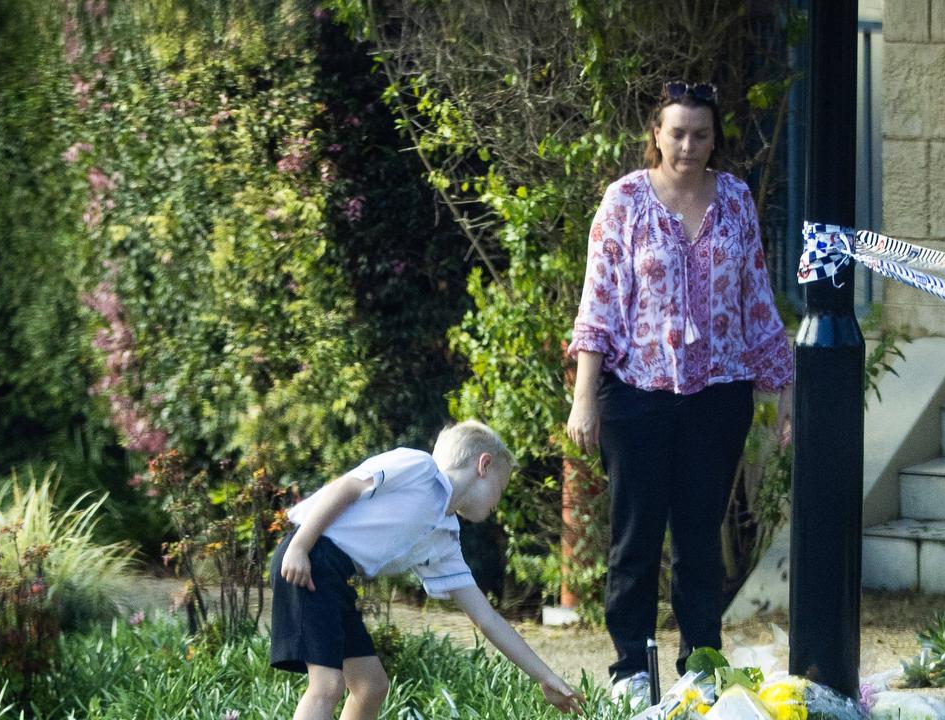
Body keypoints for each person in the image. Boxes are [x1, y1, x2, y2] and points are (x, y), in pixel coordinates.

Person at [565, 80, 794, 705]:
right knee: (635, 537)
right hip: (636, 394)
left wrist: (783, 400)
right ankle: (631, 671)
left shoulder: (738, 200)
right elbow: (599, 304)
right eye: (677, 133)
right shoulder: (625, 202)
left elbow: (756, 301)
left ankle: (700, 665)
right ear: (656, 135)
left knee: (699, 540)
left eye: (700, 133)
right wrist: (584, 397)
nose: (688, 145)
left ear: (714, 137)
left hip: (718, 395)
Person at [270, 420, 585, 719]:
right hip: (311, 557)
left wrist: (545, 677)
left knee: (371, 687)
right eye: (499, 491)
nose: (496, 504)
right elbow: (347, 488)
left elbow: (486, 618)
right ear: (484, 465)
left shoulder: (443, 538)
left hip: (335, 579)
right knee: (327, 686)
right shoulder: (420, 468)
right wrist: (300, 546)